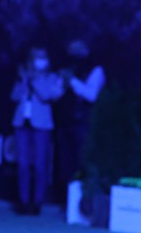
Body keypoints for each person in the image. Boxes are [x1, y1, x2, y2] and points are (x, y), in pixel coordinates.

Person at [11, 46, 64, 215]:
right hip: (22, 124)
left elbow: (47, 96)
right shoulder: (23, 76)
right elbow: (14, 96)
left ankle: (37, 202)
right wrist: (23, 80)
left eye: (43, 57)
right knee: (23, 164)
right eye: (36, 57)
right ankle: (23, 201)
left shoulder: (53, 77)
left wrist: (34, 80)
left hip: (42, 126)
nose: (39, 61)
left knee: (40, 165)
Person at [54, 39, 106, 205]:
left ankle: (85, 203)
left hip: (84, 124)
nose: (74, 53)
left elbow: (91, 95)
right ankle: (68, 204)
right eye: (71, 49)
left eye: (78, 48)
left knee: (83, 163)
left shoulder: (96, 69)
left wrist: (72, 81)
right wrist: (62, 81)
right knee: (65, 165)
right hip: (65, 123)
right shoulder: (67, 68)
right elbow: (56, 94)